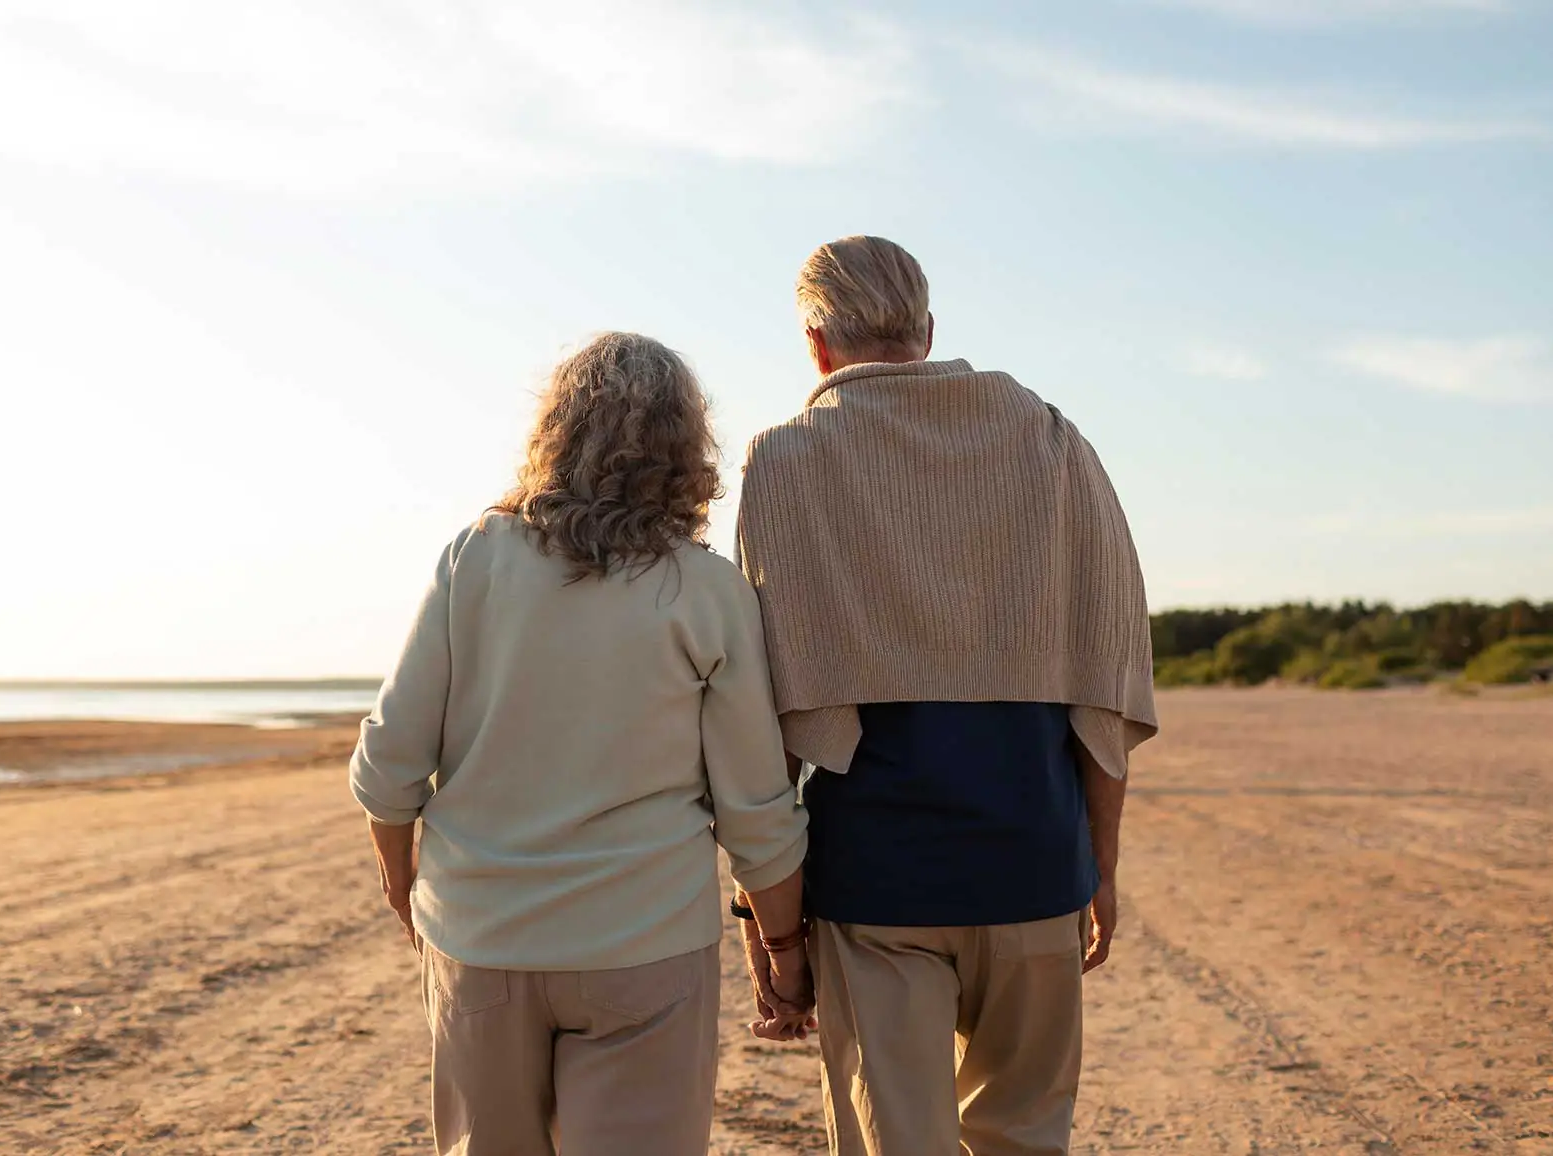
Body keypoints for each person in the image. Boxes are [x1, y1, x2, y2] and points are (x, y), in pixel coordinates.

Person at [734, 236, 1159, 1154]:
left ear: (817, 346)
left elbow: (761, 719)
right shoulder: (1051, 439)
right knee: (1025, 1139)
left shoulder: (784, 460)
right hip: (1038, 861)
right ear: (927, 330)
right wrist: (1104, 867)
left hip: (874, 876)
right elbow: (1106, 675)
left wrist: (767, 927)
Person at [350, 332, 812, 1156]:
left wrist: (401, 881)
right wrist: (783, 946)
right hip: (646, 950)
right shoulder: (706, 591)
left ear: (554, 430)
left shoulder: (477, 557)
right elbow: (755, 807)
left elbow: (390, 761)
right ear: (684, 448)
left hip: (481, 938)